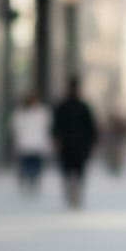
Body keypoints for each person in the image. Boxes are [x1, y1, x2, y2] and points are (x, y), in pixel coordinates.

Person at [52, 75, 97, 207]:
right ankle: (74, 193)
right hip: (76, 144)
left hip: (71, 144)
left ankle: (73, 193)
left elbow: (56, 127)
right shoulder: (81, 106)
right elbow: (91, 128)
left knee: (70, 171)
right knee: (77, 171)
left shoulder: (64, 106)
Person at [11, 92, 50, 194]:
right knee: (26, 165)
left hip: (37, 144)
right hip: (25, 144)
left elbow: (46, 127)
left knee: (36, 165)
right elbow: (15, 127)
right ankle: (28, 181)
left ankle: (34, 182)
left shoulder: (42, 111)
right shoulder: (20, 112)